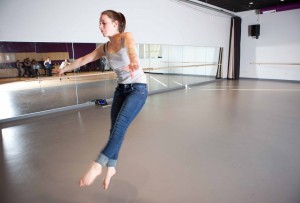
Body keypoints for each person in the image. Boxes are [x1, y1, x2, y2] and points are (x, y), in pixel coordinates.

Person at [59, 10, 148, 190]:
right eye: (99, 23)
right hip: (121, 90)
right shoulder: (105, 47)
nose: (100, 26)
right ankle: (112, 167)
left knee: (120, 125)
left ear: (115, 24)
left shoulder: (126, 37)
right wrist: (65, 69)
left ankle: (97, 165)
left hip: (137, 89)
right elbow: (85, 59)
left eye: (103, 22)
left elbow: (131, 49)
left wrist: (133, 61)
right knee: (114, 129)